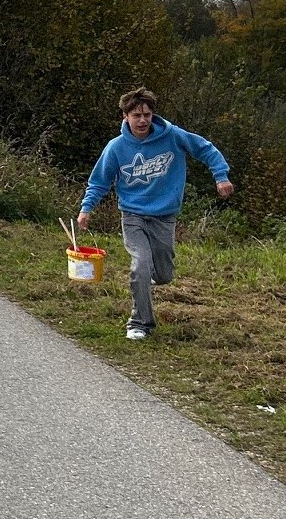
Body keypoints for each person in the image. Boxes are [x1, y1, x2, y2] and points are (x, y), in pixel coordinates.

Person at [78, 87, 233, 341]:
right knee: (140, 266)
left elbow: (205, 148)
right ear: (125, 117)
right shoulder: (116, 148)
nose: (142, 121)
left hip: (164, 215)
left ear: (153, 115)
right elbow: (99, 181)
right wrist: (86, 209)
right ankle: (140, 323)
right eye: (136, 115)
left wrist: (221, 176)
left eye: (147, 115)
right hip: (132, 215)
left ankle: (147, 282)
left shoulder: (172, 136)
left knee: (163, 275)